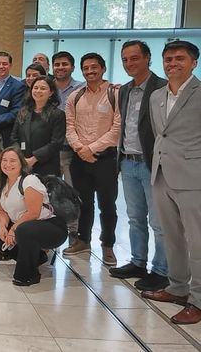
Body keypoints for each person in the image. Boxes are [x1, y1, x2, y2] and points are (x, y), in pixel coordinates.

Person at [142, 40, 201, 324]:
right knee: (172, 236)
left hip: (193, 177)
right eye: (168, 59)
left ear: (194, 63)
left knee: (198, 240)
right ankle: (178, 287)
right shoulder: (157, 96)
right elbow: (159, 135)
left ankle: (198, 300)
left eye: (179, 58)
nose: (172, 63)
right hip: (162, 173)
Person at [109, 41, 169, 291]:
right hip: (128, 160)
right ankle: (137, 261)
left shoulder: (162, 88)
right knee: (134, 217)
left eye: (134, 58)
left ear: (147, 58)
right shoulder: (124, 91)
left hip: (152, 164)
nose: (129, 63)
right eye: (124, 59)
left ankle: (161, 270)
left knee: (159, 221)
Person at [63, 53, 121, 266]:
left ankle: (107, 245)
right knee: (83, 202)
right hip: (79, 157)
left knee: (108, 204)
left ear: (103, 68)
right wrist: (80, 148)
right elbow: (69, 126)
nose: (90, 71)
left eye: (94, 67)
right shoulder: (75, 97)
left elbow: (117, 128)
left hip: (105, 158)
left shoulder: (116, 93)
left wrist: (92, 149)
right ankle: (83, 240)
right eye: (86, 68)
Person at [0, 147, 68, 286]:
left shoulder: (29, 180)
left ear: (21, 163)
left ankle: (28, 275)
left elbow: (34, 212)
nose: (8, 164)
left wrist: (13, 229)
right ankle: (37, 258)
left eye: (13, 161)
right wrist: (3, 227)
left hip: (51, 226)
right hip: (24, 226)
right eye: (4, 160)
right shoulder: (2, 184)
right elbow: (2, 211)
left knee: (23, 230)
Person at [10, 76, 65, 177]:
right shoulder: (23, 112)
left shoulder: (58, 114)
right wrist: (21, 158)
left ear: (51, 92)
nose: (38, 91)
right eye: (35, 88)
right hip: (23, 164)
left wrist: (33, 159)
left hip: (46, 166)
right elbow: (14, 137)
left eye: (43, 88)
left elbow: (56, 143)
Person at [52, 51, 83, 187]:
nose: (60, 67)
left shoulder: (82, 88)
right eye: (57, 64)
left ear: (73, 67)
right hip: (51, 149)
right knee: (50, 190)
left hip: (73, 149)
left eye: (64, 64)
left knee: (73, 190)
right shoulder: (47, 87)